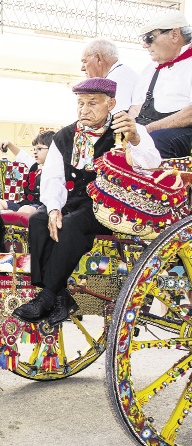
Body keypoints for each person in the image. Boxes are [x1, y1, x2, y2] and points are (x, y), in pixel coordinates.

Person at [13, 78, 161, 326]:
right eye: (80, 103)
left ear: (111, 103)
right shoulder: (65, 135)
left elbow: (151, 164)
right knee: (38, 220)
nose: (84, 109)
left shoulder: (127, 128)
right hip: (75, 202)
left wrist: (134, 137)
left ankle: (48, 295)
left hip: (111, 206)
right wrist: (53, 210)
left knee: (72, 224)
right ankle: (59, 296)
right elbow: (53, 178)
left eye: (93, 103)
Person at [128, 11, 192, 158]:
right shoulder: (149, 69)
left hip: (181, 133)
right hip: (149, 129)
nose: (145, 45)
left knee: (157, 141)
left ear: (175, 35)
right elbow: (136, 107)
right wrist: (130, 129)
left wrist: (146, 131)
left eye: (149, 38)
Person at [0, 130, 55, 215]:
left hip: (40, 208)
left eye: (39, 148)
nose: (35, 151)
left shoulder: (56, 170)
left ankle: (8, 214)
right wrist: (9, 143)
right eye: (34, 148)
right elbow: (22, 156)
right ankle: (5, 215)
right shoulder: (35, 166)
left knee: (26, 209)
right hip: (25, 204)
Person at [80, 39, 137, 113]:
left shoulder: (117, 79)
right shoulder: (120, 73)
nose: (82, 68)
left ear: (99, 59)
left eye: (85, 62)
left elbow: (117, 116)